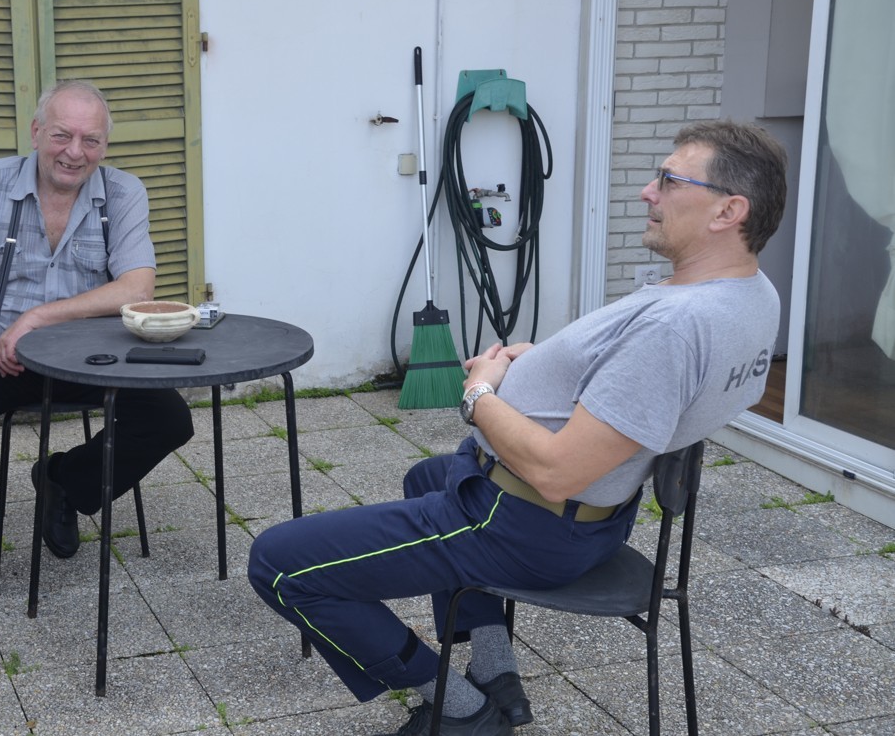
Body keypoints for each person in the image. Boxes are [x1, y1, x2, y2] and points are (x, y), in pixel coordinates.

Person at [248, 120, 788, 735]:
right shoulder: (751, 295)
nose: (647, 191)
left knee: (278, 564)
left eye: (668, 180)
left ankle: (458, 708)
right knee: (427, 475)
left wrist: (479, 393)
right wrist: (546, 369)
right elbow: (646, 395)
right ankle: (495, 668)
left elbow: (558, 472)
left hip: (525, 522)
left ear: (728, 211)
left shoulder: (674, 329)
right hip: (594, 519)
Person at [0, 79, 194, 621]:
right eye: (62, 136)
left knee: (168, 417)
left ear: (104, 145)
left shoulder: (124, 192)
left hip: (89, 348)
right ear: (35, 132)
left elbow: (137, 287)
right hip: (0, 352)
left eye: (91, 140)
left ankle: (64, 483)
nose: (75, 152)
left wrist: (38, 318)